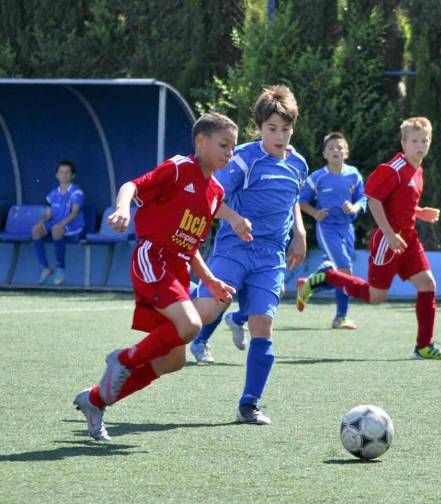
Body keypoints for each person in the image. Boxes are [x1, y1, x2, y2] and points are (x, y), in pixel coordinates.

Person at [72, 112, 252, 441]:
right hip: (153, 258)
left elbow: (191, 245)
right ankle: (123, 358)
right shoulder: (180, 167)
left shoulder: (214, 193)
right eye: (224, 145)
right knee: (192, 326)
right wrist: (124, 208)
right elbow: (131, 186)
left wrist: (210, 280)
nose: (230, 153)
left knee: (172, 360)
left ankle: (95, 400)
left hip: (177, 269)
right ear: (201, 142)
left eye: (234, 147)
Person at [192, 85, 308, 425]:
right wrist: (234, 218)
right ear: (259, 128)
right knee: (213, 305)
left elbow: (292, 202)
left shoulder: (298, 163)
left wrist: (299, 234)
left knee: (263, 323)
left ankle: (249, 404)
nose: (279, 135)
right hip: (234, 247)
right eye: (272, 129)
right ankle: (178, 317)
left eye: (285, 129)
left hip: (271, 255)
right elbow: (211, 198)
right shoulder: (243, 158)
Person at [296, 116, 441, 360]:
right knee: (375, 297)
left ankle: (423, 346)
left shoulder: (418, 170)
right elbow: (373, 200)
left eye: (425, 140)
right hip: (387, 241)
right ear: (403, 143)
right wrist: (390, 234)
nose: (421, 145)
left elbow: (400, 203)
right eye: (414, 141)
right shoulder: (394, 169)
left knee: (427, 285)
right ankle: (327, 276)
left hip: (409, 239)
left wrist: (419, 212)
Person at [296, 131, 367, 329]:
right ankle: (340, 318)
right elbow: (300, 200)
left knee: (335, 270)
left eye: (340, 147)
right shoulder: (317, 177)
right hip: (327, 229)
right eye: (331, 148)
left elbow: (363, 199)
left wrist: (354, 208)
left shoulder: (354, 174)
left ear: (346, 153)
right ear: (324, 154)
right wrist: (315, 213)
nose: (336, 150)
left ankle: (309, 284)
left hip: (347, 228)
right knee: (345, 270)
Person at [32, 160, 85, 285]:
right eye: (61, 172)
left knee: (56, 229)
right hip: (56, 224)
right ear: (57, 175)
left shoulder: (77, 192)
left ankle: (60, 269)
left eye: (67, 172)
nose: (64, 175)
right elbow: (47, 214)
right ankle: (45, 268)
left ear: (73, 175)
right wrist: (40, 222)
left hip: (73, 226)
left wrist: (61, 224)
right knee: (36, 230)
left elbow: (74, 213)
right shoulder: (53, 194)